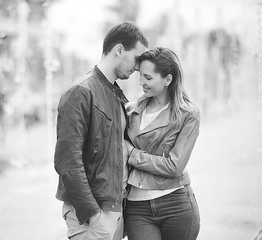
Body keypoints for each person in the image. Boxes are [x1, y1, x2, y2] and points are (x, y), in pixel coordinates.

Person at [54, 21, 149, 240]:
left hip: (112, 210)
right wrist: (93, 215)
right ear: (119, 50)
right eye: (136, 58)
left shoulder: (114, 93)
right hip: (93, 215)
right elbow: (67, 162)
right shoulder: (81, 92)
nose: (137, 68)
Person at [124, 47, 200, 240]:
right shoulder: (130, 110)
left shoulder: (187, 115)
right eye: (140, 76)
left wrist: (131, 154)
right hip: (137, 207)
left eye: (148, 78)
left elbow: (174, 166)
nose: (141, 82)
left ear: (168, 79)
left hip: (176, 205)